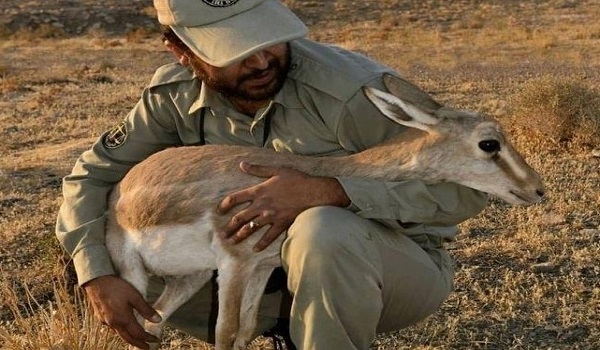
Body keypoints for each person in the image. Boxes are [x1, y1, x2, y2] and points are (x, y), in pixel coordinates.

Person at [56, 0, 488, 349]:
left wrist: (333, 190)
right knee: (104, 243)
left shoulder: (353, 91)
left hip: (390, 268)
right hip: (258, 270)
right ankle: (286, 329)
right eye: (235, 50)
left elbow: (465, 191)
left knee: (323, 227)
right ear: (181, 52)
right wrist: (94, 273)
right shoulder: (171, 95)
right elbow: (89, 179)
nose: (262, 60)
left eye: (267, 38)